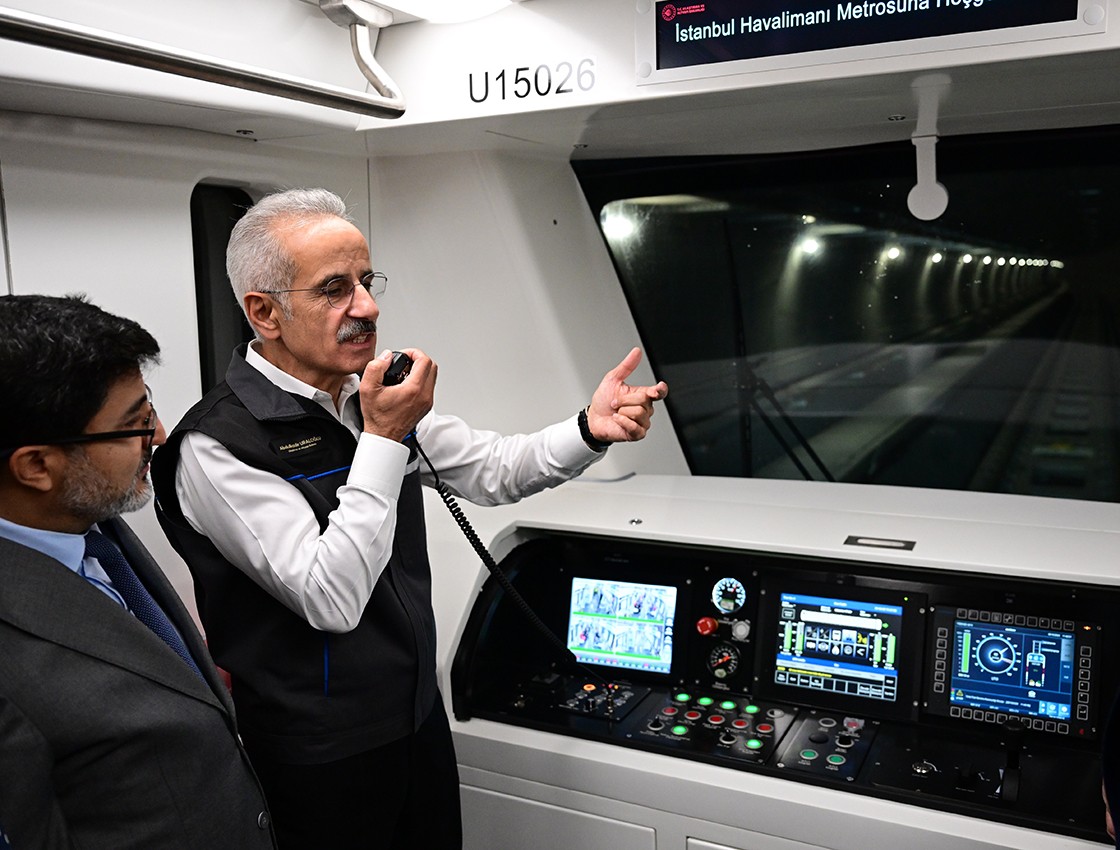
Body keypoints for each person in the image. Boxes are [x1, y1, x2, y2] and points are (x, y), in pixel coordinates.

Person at [150, 187, 669, 849]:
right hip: (320, 754)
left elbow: (495, 468)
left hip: (418, 718)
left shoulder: (368, 396)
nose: (366, 307)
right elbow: (329, 597)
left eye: (367, 282)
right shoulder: (217, 446)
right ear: (265, 313)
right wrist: (384, 439)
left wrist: (589, 429)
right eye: (334, 289)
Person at [0, 294, 275, 849]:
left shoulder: (91, 524)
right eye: (134, 426)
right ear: (36, 466)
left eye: (147, 412)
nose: (160, 436)